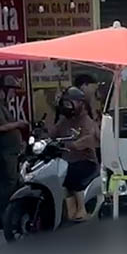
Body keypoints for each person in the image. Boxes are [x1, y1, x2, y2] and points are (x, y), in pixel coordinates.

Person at [0, 75, 28, 229]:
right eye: (13, 91)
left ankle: (8, 218)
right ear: (6, 89)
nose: (14, 95)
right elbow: (1, 127)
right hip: (3, 153)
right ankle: (5, 219)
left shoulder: (1, 105)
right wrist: (19, 124)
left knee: (11, 183)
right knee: (7, 186)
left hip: (10, 152)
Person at [52, 87, 100, 222]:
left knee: (72, 175)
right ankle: (70, 211)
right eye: (65, 103)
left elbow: (90, 139)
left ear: (81, 104)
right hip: (66, 161)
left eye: (70, 103)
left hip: (86, 161)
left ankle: (82, 209)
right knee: (61, 177)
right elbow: (52, 133)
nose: (67, 106)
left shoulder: (87, 121)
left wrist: (74, 145)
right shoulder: (64, 120)